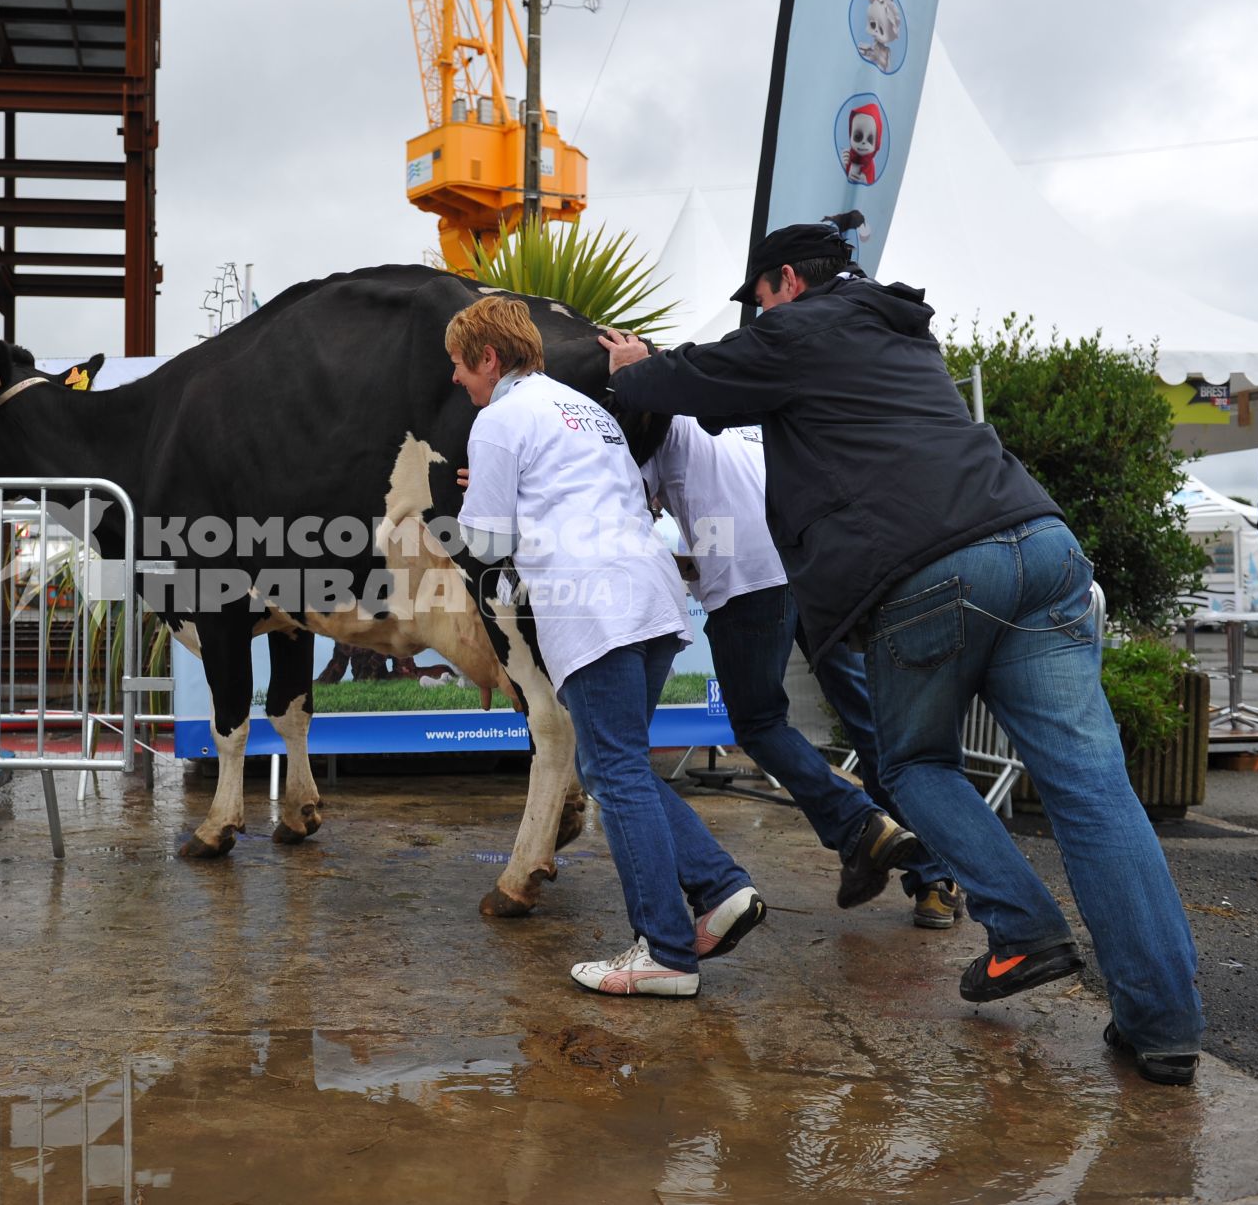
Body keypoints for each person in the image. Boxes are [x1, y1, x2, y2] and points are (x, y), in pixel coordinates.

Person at [602, 223, 1203, 1084]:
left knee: (916, 764)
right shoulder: (895, 330)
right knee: (1094, 788)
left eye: (758, 300)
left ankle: (1024, 927)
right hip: (1040, 544)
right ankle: (1165, 1023)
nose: (757, 317)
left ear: (784, 282)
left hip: (932, 574)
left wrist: (633, 365)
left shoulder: (803, 325)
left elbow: (700, 379)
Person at [450, 294, 764, 998]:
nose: (455, 379)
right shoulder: (585, 410)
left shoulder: (498, 418)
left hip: (592, 604)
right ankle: (719, 889)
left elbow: (489, 543)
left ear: (490, 358)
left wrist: (473, 504)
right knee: (613, 765)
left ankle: (666, 949)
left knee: (614, 771)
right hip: (650, 596)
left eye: (459, 364)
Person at [640, 415, 961, 925]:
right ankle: (935, 875)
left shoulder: (656, 419)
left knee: (760, 723)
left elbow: (624, 514)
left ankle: (861, 827)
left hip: (752, 583)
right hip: (815, 568)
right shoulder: (750, 415)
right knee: (867, 718)